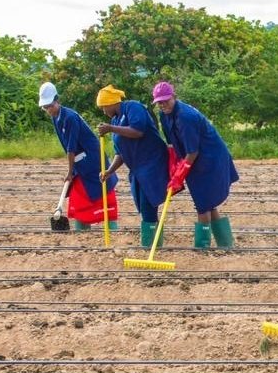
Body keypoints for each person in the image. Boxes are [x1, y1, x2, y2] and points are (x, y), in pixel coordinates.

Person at [152, 82, 239, 249]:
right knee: (207, 201)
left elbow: (192, 151)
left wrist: (180, 172)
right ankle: (225, 243)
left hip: (209, 159)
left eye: (166, 101)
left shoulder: (185, 117)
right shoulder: (165, 115)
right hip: (194, 159)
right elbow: (172, 143)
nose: (163, 105)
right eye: (159, 102)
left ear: (174, 97)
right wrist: (174, 163)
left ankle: (202, 246)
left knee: (203, 203)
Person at [94, 84, 170, 248]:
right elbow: (119, 153)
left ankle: (151, 244)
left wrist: (110, 128)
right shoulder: (115, 120)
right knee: (142, 204)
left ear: (111, 103)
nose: (103, 111)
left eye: (103, 107)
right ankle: (153, 240)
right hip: (137, 168)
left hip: (152, 163)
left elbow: (138, 131)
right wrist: (109, 171)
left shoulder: (132, 108)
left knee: (148, 202)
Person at [38, 82, 119, 231]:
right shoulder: (56, 117)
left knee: (103, 196)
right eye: (45, 107)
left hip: (93, 160)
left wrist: (69, 172)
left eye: (50, 105)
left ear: (57, 100)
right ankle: (82, 229)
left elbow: (71, 147)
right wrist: (72, 169)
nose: (49, 109)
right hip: (79, 163)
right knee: (79, 197)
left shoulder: (69, 117)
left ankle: (113, 230)